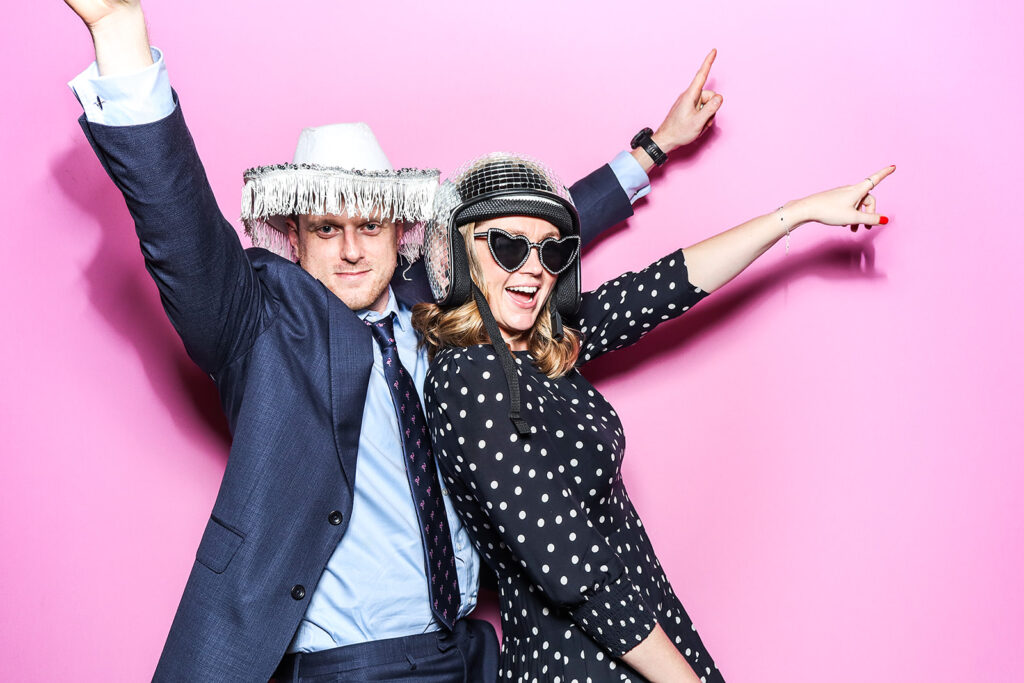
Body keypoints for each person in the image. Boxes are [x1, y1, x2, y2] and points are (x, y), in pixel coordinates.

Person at [62, 1, 723, 680]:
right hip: (353, 665)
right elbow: (181, 229)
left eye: (369, 226)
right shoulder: (260, 331)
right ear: (294, 237)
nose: (350, 250)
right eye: (326, 229)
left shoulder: (438, 307)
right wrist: (121, 36)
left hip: (471, 652)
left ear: (399, 230)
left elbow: (521, 237)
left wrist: (652, 149)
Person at [413, 145, 893, 680]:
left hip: (646, 641)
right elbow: (571, 569)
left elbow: (665, 286)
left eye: (551, 252)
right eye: (507, 245)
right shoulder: (469, 376)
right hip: (582, 663)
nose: (532, 269)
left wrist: (799, 212)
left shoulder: (546, 350)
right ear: (458, 254)